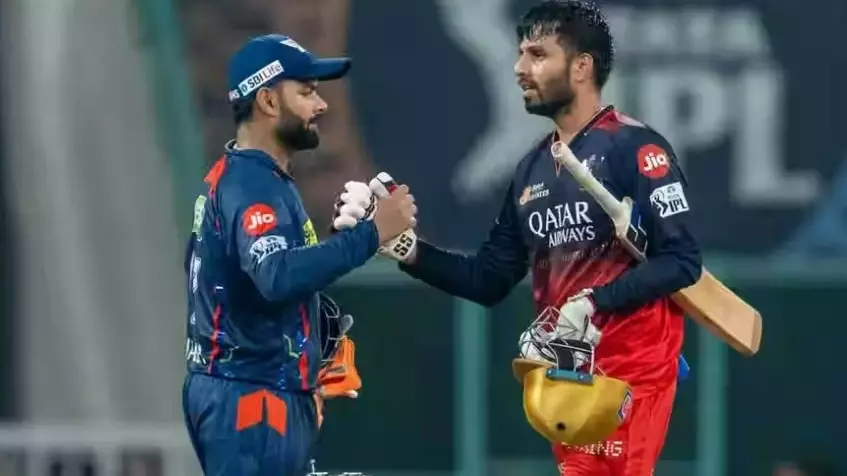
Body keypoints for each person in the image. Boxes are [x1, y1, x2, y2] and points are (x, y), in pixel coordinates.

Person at [334, 1, 701, 474]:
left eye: (537, 55)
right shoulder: (531, 169)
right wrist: (404, 249)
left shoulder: (636, 149)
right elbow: (488, 278)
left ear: (582, 66)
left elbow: (682, 261)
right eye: (519, 54)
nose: (519, 69)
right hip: (566, 382)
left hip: (630, 380)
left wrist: (592, 302)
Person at [181, 34, 416, 476]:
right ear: (268, 101)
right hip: (252, 396)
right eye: (306, 91)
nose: (321, 104)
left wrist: (334, 245)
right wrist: (372, 233)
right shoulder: (252, 184)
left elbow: (251, 283)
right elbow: (276, 276)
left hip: (250, 389)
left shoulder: (250, 178)